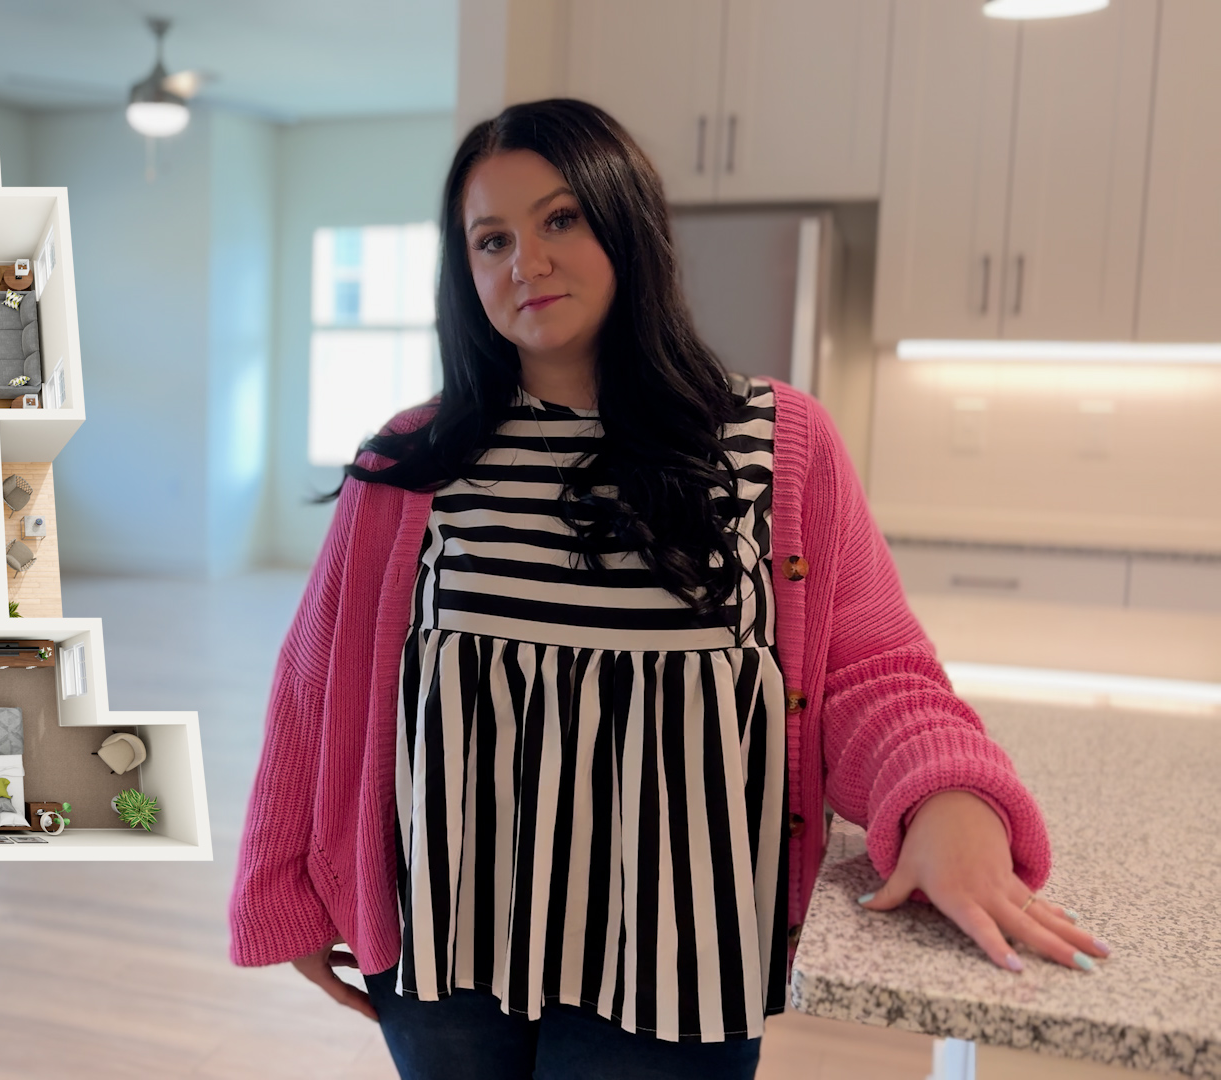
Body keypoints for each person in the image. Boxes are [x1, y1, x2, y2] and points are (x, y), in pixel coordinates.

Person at [228, 98, 1111, 1079]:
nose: (528, 260)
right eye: (492, 239)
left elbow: (873, 672)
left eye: (561, 219)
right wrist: (283, 888)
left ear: (627, 224)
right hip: (445, 950)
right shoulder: (410, 460)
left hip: (681, 955)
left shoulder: (777, 442)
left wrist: (950, 802)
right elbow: (317, 687)